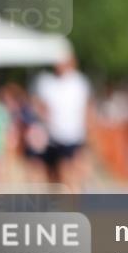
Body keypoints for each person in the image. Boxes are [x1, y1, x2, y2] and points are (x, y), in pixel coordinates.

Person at [32, 54, 92, 191]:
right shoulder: (48, 83)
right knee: (54, 174)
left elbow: (87, 109)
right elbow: (41, 107)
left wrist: (88, 131)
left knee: (68, 171)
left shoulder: (79, 83)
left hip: (74, 134)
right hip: (54, 135)